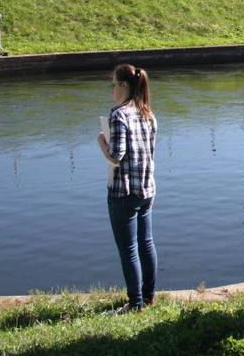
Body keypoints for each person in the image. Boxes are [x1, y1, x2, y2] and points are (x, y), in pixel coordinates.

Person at [97, 64, 158, 312]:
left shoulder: (119, 115)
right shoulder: (148, 114)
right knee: (146, 244)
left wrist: (101, 141)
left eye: (113, 84)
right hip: (147, 189)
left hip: (123, 192)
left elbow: (116, 156)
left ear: (124, 86)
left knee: (129, 250)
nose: (111, 90)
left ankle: (135, 304)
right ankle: (149, 296)